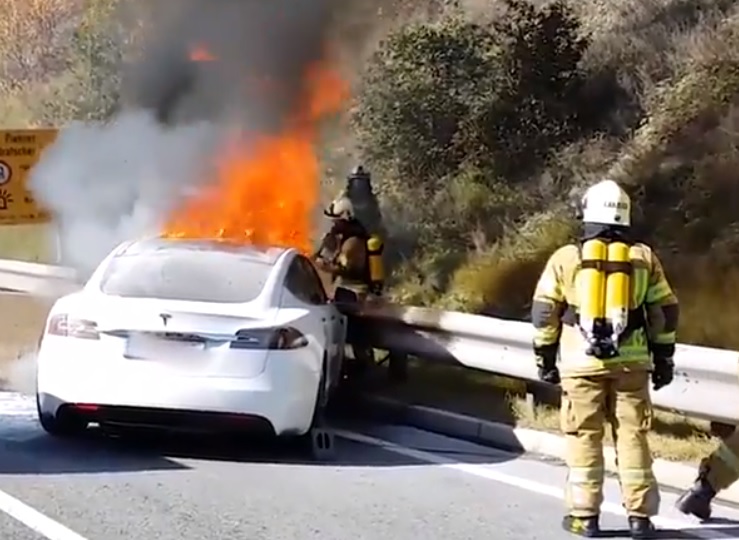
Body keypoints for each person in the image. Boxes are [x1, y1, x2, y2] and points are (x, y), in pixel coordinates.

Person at [531, 179, 679, 538]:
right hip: (632, 366)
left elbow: (543, 312)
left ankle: (585, 517)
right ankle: (640, 519)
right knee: (633, 437)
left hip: (581, 368)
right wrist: (664, 358)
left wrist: (545, 358)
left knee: (584, 436)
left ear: (587, 213)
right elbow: (665, 311)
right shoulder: (643, 258)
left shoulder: (567, 258)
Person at [313, 194, 375, 379]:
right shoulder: (343, 238)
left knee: (354, 335)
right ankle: (349, 368)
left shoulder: (354, 242)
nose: (333, 223)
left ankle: (363, 371)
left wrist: (323, 265)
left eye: (336, 220)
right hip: (346, 293)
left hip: (354, 295)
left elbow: (347, 269)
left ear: (345, 217)